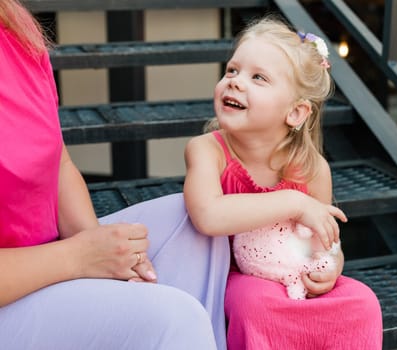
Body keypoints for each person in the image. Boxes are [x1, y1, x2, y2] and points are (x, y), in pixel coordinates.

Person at [0, 1, 230, 349]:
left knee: (196, 225)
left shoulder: (15, 27)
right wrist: (79, 257)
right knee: (176, 318)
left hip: (48, 262)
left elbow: (58, 163)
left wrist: (107, 254)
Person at [184, 15, 383, 349]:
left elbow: (321, 242)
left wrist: (331, 268)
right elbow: (208, 215)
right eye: (232, 70)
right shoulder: (207, 150)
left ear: (295, 113)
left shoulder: (314, 170)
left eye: (258, 77)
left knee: (363, 301)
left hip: (294, 278)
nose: (234, 82)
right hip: (233, 276)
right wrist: (294, 203)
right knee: (255, 303)